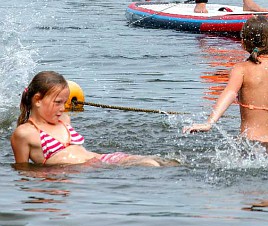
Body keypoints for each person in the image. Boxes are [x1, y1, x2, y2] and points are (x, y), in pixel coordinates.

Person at [183, 15, 268, 148]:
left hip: (250, 145)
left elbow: (230, 93)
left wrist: (209, 123)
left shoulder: (241, 69)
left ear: (243, 43)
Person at [11, 71, 167, 166]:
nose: (63, 108)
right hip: (87, 169)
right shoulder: (25, 133)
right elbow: (23, 170)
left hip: (102, 160)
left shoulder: (64, 120)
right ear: (38, 100)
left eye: (64, 103)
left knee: (162, 162)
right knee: (149, 164)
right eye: (57, 103)